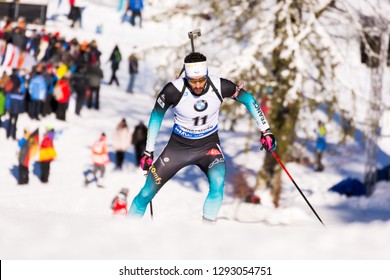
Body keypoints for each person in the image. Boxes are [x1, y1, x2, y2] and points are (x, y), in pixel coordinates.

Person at [128, 52, 277, 222]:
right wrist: (148, 151)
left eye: (201, 80)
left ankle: (207, 234)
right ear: (185, 77)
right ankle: (128, 232)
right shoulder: (173, 90)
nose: (198, 85)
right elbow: (156, 117)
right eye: (193, 81)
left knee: (218, 184)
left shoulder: (219, 85)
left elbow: (249, 100)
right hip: (178, 149)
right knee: (146, 193)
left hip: (208, 147)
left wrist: (266, 130)